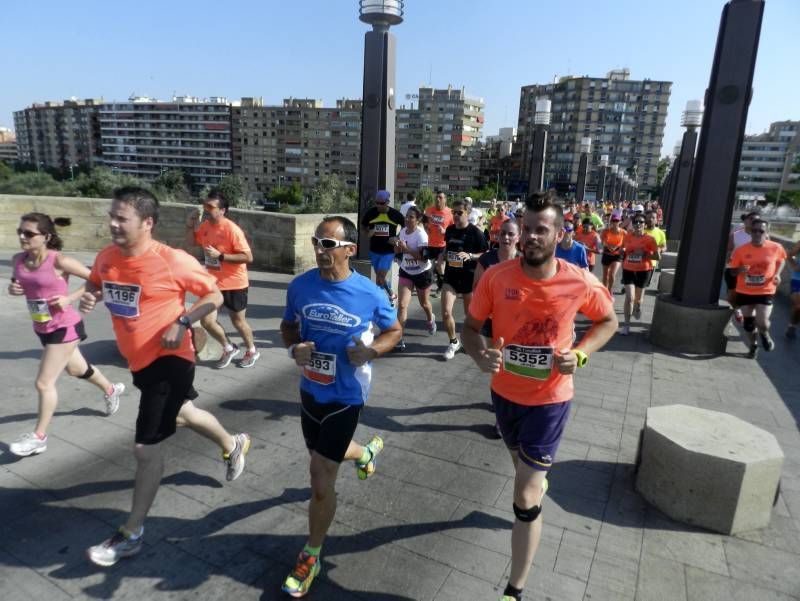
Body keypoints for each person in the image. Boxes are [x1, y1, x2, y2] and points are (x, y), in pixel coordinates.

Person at [82, 187, 251, 567]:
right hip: (139, 363)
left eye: (121, 218)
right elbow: (96, 280)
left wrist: (183, 320)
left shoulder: (171, 260)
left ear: (147, 223)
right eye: (112, 215)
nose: (112, 224)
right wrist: (90, 294)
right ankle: (233, 442)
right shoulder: (107, 257)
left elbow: (214, 297)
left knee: (146, 449)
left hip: (171, 359)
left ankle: (132, 533)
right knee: (185, 413)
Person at [462, 191, 617, 601]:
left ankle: (514, 590)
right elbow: (470, 328)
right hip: (505, 396)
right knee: (524, 473)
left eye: (540, 230)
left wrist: (580, 354)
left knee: (525, 495)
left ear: (559, 233)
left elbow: (608, 321)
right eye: (525, 228)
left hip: (550, 401)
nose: (530, 236)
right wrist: (480, 357)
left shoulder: (577, 279)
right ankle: (535, 481)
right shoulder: (497, 277)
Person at [280, 216, 402, 597]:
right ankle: (365, 451)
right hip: (310, 391)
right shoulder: (300, 286)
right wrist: (293, 348)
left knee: (319, 478)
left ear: (350, 250)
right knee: (321, 454)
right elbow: (288, 327)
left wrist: (370, 351)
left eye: (328, 245)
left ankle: (311, 555)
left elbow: (394, 331)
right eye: (317, 242)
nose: (319, 250)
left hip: (347, 396)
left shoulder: (368, 293)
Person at [7, 213, 125, 457]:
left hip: (65, 326)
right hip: (42, 327)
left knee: (43, 382)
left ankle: (39, 437)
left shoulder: (59, 261)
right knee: (77, 370)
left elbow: (97, 279)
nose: (22, 236)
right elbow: (19, 284)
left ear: (46, 237)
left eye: (29, 233)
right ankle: (111, 389)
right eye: (20, 231)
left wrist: (69, 298)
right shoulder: (18, 259)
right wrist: (13, 288)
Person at [185, 189, 259, 368]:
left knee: (238, 322)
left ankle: (252, 350)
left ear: (222, 210)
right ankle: (228, 347)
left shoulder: (232, 230)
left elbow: (248, 257)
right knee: (206, 321)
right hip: (213, 282)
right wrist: (189, 225)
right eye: (205, 205)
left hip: (235, 283)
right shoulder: (205, 226)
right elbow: (192, 242)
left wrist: (221, 256)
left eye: (210, 206)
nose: (206, 208)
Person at [437, 198, 488, 360]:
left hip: (469, 278)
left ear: (468, 213)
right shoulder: (450, 230)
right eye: (454, 212)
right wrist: (441, 257)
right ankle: (453, 342)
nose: (456, 215)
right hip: (451, 276)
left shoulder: (476, 233)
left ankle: (468, 341)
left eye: (460, 212)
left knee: (470, 316)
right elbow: (447, 248)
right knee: (445, 312)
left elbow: (486, 255)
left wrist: (471, 255)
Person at [728, 218, 787, 357]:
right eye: (754, 230)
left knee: (762, 322)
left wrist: (777, 274)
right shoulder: (741, 251)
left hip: (766, 290)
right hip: (745, 291)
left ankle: (765, 335)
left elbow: (782, 260)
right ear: (750, 232)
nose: (757, 233)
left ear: (766, 232)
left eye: (761, 231)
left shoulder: (775, 247)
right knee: (748, 325)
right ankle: (753, 346)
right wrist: (739, 270)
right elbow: (732, 271)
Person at [394, 206, 436, 348]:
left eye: (411, 217)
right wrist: (397, 247)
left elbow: (423, 259)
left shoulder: (421, 235)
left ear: (417, 220)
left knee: (424, 304)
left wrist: (406, 249)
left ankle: (431, 319)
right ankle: (399, 338)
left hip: (422, 273)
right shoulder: (402, 232)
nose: (407, 219)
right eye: (406, 216)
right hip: (406, 271)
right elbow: (398, 251)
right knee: (402, 305)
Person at [360, 189, 405, 306]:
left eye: (382, 203)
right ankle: (391, 294)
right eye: (377, 203)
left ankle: (378, 302)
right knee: (380, 278)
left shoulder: (395, 214)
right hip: (374, 250)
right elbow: (363, 227)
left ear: (387, 202)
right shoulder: (371, 213)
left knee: (380, 276)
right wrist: (367, 233)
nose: (379, 205)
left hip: (388, 251)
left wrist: (397, 237)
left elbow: (406, 228)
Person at [620, 216, 660, 335]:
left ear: (644, 224)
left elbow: (657, 257)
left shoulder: (650, 239)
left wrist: (645, 254)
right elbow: (623, 250)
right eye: (636, 222)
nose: (638, 224)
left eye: (641, 222)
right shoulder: (627, 237)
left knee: (638, 300)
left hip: (643, 270)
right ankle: (626, 325)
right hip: (628, 269)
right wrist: (623, 251)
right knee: (630, 297)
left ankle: (637, 307)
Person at [725, 209, 762, 324]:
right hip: (735, 270)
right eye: (751, 219)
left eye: (756, 220)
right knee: (731, 298)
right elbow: (728, 252)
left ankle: (750, 321)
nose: (753, 222)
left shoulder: (763, 236)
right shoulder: (735, 235)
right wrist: (731, 262)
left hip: (753, 272)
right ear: (745, 220)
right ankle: (737, 310)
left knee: (751, 298)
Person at [424, 191, 454, 296]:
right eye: (437, 197)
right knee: (428, 267)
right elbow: (425, 222)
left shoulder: (450, 212)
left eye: (440, 197)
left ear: (445, 199)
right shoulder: (429, 210)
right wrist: (426, 228)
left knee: (440, 266)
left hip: (442, 245)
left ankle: (440, 288)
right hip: (429, 244)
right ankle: (426, 287)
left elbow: (454, 230)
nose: (438, 199)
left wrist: (445, 231)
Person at [600, 212, 625, 292]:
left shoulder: (623, 232)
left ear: (620, 221)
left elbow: (627, 242)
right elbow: (602, 241)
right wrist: (608, 246)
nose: (615, 223)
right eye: (613, 221)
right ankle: (604, 291)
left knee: (612, 274)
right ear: (611, 222)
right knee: (605, 275)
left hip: (617, 256)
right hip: (607, 254)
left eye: (617, 221)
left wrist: (623, 248)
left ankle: (609, 290)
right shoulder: (606, 231)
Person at [786, 240, 800, 340]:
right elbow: (789, 255)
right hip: (798, 279)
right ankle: (792, 326)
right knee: (798, 305)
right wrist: (795, 266)